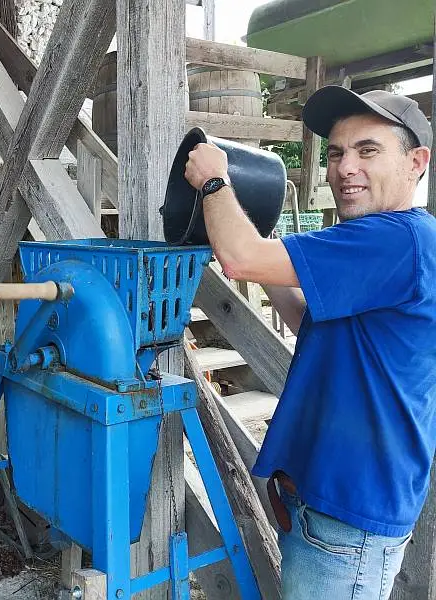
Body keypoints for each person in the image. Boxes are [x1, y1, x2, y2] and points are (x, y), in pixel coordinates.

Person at [183, 86, 435, 599]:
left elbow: (237, 258)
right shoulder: (384, 244)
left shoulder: (398, 238)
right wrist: (265, 252)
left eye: (368, 150)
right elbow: (306, 319)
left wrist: (214, 180)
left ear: (416, 162)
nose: (346, 168)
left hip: (350, 514)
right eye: (337, 153)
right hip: (327, 502)